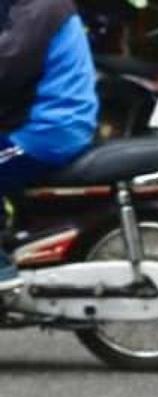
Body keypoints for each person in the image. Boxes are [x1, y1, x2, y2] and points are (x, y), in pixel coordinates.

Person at [0, 0, 98, 291]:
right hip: (49, 123)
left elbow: (8, 66)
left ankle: (2, 269)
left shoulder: (41, 8)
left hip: (47, 131)